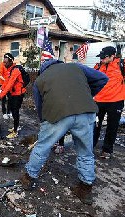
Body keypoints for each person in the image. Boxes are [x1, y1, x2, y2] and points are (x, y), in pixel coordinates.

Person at [20, 59, 108, 205]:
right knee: (86, 151)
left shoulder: (40, 79)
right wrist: (85, 95)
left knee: (42, 147)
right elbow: (102, 78)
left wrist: (45, 123)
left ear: (43, 70)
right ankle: (85, 189)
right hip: (86, 112)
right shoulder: (76, 67)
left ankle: (28, 178)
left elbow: (40, 106)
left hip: (57, 114)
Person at [93, 46, 125, 159]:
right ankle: (91, 146)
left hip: (116, 101)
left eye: (104, 58)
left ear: (112, 56)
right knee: (94, 125)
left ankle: (107, 150)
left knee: (112, 126)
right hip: (98, 101)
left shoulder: (121, 65)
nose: (101, 60)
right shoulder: (97, 66)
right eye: (101, 58)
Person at [0, 53, 26, 139]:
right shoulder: (10, 70)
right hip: (13, 93)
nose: (5, 64)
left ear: (11, 61)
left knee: (15, 112)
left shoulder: (15, 70)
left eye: (6, 62)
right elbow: (6, 83)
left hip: (18, 94)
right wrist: (0, 90)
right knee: (12, 110)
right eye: (4, 63)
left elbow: (10, 85)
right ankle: (15, 127)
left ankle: (15, 131)